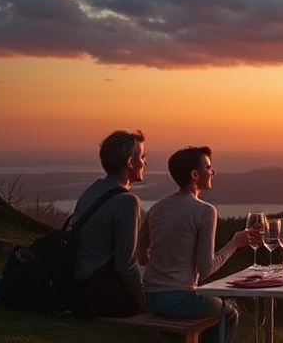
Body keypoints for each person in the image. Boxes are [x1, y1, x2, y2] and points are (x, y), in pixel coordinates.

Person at [138, 146, 248, 343]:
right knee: (229, 311)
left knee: (212, 308)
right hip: (178, 300)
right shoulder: (205, 211)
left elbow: (141, 256)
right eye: (208, 167)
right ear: (195, 174)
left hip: (150, 298)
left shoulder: (157, 207)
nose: (212, 172)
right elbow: (205, 269)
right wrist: (235, 243)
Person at [71, 129, 148, 317]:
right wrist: (145, 303)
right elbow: (126, 266)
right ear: (130, 162)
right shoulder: (128, 202)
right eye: (143, 157)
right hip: (97, 293)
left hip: (76, 286)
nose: (145, 162)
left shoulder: (93, 190)